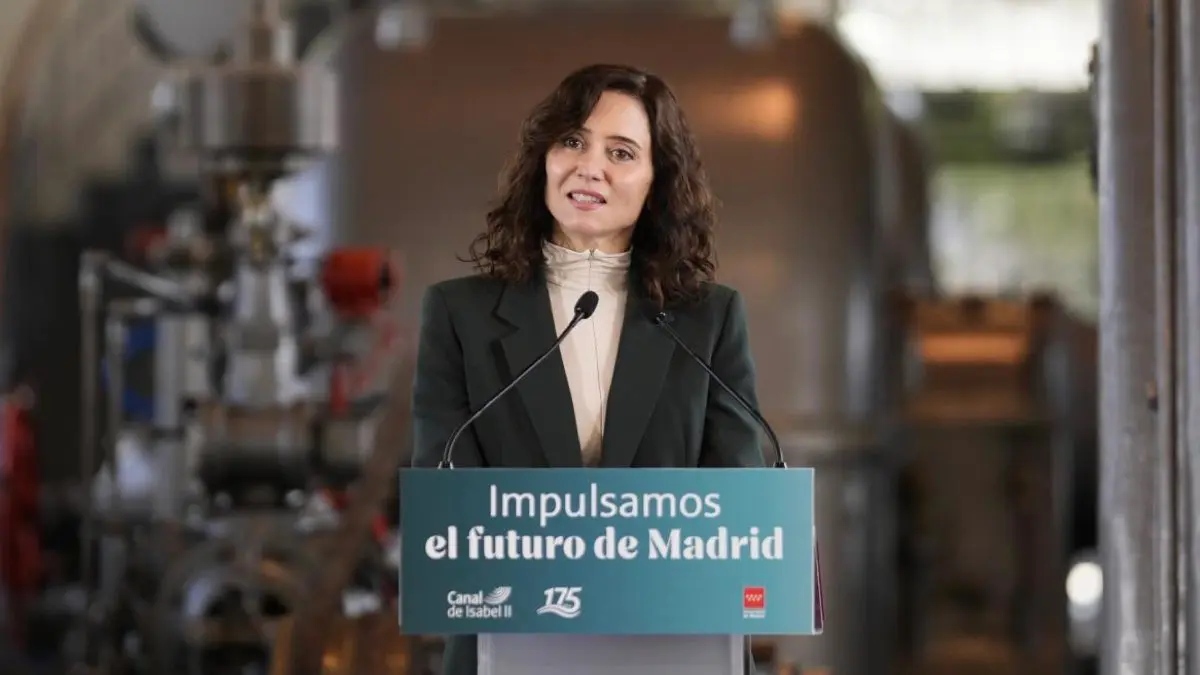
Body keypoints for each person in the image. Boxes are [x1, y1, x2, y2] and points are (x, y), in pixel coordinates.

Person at [411, 63, 766, 675]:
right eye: (572, 140)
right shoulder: (457, 313)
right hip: (509, 644)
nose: (589, 165)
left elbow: (734, 497)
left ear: (658, 182)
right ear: (543, 158)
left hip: (675, 645)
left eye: (621, 152)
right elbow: (448, 494)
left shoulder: (710, 319)